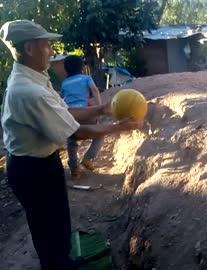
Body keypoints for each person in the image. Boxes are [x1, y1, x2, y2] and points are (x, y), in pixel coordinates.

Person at [0, 20, 143, 270]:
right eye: (46, 45)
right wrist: (118, 127)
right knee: (47, 227)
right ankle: (56, 265)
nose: (52, 51)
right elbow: (74, 132)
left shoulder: (33, 79)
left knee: (56, 221)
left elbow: (64, 112)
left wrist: (100, 109)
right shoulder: (29, 91)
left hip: (40, 162)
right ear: (30, 48)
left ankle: (62, 261)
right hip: (32, 169)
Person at [61, 55, 103, 179]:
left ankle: (74, 168)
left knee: (72, 141)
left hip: (71, 115)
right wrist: (99, 109)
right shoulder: (86, 78)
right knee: (99, 135)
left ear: (66, 69)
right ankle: (88, 159)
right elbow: (95, 91)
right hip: (85, 112)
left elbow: (61, 99)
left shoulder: (64, 83)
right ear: (81, 68)